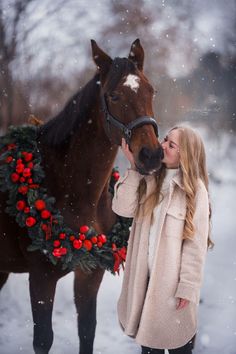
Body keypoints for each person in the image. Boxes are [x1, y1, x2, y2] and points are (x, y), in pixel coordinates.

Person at [112, 125, 213, 354]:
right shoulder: (149, 180)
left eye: (171, 144)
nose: (162, 145)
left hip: (172, 290)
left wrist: (187, 287)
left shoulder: (195, 191)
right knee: (149, 349)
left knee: (180, 347)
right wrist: (135, 168)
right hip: (146, 286)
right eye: (165, 139)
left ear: (184, 154)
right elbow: (122, 208)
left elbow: (195, 246)